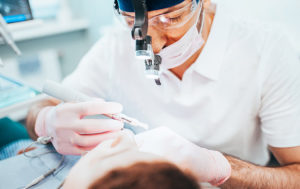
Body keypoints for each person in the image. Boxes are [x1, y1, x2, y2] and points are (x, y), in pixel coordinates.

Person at [26, 0, 300, 188]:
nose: (152, 45)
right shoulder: (113, 46)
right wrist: (46, 120)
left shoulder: (266, 50)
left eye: (172, 18)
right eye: (133, 22)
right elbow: (41, 105)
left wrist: (219, 168)